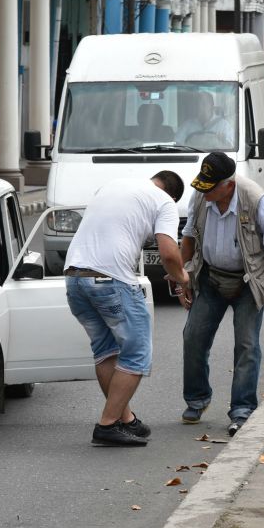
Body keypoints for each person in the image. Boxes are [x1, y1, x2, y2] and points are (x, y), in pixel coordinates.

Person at [64, 171, 190, 447]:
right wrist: (183, 279)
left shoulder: (112, 184)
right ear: (172, 195)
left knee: (106, 350)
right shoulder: (165, 203)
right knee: (137, 355)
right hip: (110, 280)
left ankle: (126, 419)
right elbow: (169, 253)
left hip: (74, 277)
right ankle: (107, 425)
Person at [179, 152, 264, 437]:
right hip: (211, 277)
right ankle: (197, 399)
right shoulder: (201, 197)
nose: (204, 192)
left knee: (246, 345)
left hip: (248, 281)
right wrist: (183, 278)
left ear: (228, 185)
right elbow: (189, 237)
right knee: (193, 337)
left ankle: (242, 409)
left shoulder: (256, 200)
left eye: (211, 187)